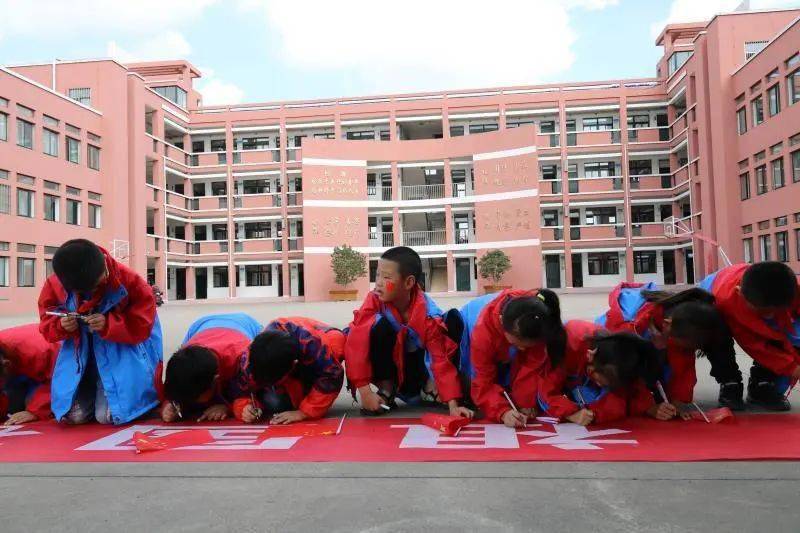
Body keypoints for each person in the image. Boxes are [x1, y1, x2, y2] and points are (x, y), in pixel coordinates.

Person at [38, 239, 162, 425]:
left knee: (107, 417)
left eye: (99, 282)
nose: (103, 282)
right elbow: (46, 322)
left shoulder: (131, 282)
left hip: (123, 356)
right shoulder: (56, 283)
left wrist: (109, 325)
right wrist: (61, 325)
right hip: (80, 358)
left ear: (104, 264)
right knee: (72, 416)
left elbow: (142, 328)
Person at [344, 246, 471, 418]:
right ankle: (386, 390)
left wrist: (453, 404)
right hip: (392, 368)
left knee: (452, 320)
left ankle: (430, 386)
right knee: (371, 326)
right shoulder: (374, 300)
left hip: (415, 368)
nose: (378, 283)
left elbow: (440, 359)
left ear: (409, 283)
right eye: (377, 275)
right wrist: (365, 393)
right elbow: (357, 342)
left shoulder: (428, 314)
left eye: (386, 277)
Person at [597, 283, 734, 414]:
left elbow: (684, 369)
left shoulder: (684, 323)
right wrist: (648, 407)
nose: (689, 351)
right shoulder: (630, 323)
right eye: (687, 347)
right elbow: (622, 375)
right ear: (667, 324)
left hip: (649, 361)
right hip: (610, 361)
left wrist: (677, 403)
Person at [699, 261, 800, 410]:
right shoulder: (726, 301)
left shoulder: (791, 288)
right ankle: (729, 382)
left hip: (748, 293)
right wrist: (792, 367)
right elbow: (754, 344)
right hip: (713, 298)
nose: (770, 315)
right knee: (714, 332)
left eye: (776, 310)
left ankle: (761, 384)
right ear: (740, 293)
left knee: (778, 331)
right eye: (763, 311)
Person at [459, 288, 566, 428]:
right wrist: (503, 412)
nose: (521, 350)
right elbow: (482, 383)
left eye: (527, 346)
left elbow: (532, 366)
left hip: (508, 334)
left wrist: (525, 403)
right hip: (469, 327)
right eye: (516, 344)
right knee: (477, 385)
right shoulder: (482, 334)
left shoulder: (537, 318)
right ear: (501, 320)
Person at [538, 322, 665, 425]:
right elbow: (546, 393)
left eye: (604, 384)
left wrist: (649, 407)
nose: (599, 383)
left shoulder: (619, 361)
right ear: (591, 357)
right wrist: (570, 413)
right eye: (598, 380)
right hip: (562, 366)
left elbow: (628, 392)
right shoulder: (567, 347)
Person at [232, 317, 346, 424]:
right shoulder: (251, 357)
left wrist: (303, 413)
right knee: (273, 402)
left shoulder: (311, 344)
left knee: (277, 403)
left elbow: (332, 376)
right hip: (289, 362)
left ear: (293, 364)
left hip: (325, 343)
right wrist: (244, 408)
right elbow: (240, 390)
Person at [157, 313, 263, 422]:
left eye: (193, 399)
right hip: (200, 326)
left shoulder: (243, 358)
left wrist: (230, 407)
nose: (190, 402)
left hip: (245, 323)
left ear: (215, 380)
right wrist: (169, 406)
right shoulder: (183, 359)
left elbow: (257, 397)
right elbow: (174, 388)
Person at [0, 323, 60, 425]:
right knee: (13, 407)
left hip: (55, 367)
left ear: (6, 364)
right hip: (22, 369)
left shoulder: (42, 352)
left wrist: (35, 411)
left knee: (30, 405)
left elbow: (61, 380)